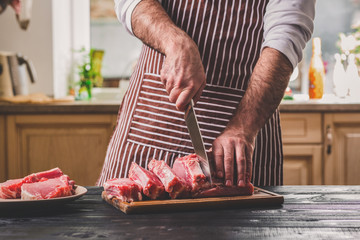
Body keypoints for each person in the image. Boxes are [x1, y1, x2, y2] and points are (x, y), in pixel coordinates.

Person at [97, 0, 315, 187]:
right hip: (152, 122)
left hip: (247, 128)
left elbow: (287, 33)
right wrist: (174, 42)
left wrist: (243, 127)